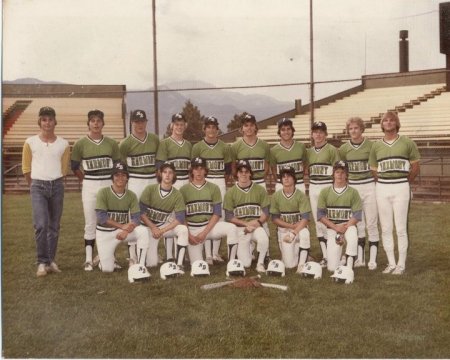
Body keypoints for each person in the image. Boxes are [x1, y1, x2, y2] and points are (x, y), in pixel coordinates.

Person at [369, 111, 420, 275]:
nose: (389, 122)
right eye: (386, 120)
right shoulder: (376, 145)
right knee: (385, 227)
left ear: (397, 123)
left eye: (392, 120)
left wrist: (404, 182)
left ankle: (401, 264)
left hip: (401, 187)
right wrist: (385, 181)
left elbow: (415, 167)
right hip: (382, 188)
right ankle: (391, 263)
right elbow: (374, 170)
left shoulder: (407, 142)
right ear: (382, 124)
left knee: (400, 228)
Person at [22, 106, 70, 277]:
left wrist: (55, 183)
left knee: (54, 226)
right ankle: (42, 262)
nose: (47, 122)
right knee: (41, 225)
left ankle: (50, 261)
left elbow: (64, 170)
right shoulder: (30, 142)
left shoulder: (63, 144)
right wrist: (34, 184)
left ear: (55, 121)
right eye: (44, 119)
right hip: (37, 186)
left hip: (56, 186)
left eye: (50, 119)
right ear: (39, 122)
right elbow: (26, 168)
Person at [71, 109, 121, 271]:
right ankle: (88, 259)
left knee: (109, 222)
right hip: (90, 185)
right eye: (92, 121)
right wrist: (84, 180)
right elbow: (74, 167)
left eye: (99, 120)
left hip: (108, 185)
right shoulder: (80, 143)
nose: (96, 124)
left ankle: (108, 256)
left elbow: (118, 167)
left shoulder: (112, 143)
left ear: (103, 123)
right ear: (88, 123)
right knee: (90, 222)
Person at [180, 157, 239, 265]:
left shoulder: (214, 188)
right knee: (197, 264)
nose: (198, 171)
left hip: (210, 229)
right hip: (193, 230)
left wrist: (204, 233)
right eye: (195, 168)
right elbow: (181, 216)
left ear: (205, 170)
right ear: (191, 170)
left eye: (201, 168)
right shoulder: (184, 190)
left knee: (232, 228)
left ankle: (232, 263)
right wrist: (189, 235)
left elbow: (217, 214)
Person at [119, 109, 160, 265]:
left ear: (146, 122)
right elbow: (120, 167)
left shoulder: (155, 140)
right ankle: (132, 255)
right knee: (135, 216)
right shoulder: (125, 143)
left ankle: (151, 250)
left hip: (151, 180)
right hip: (135, 180)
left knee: (152, 216)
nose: (140, 124)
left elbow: (159, 162)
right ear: (132, 123)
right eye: (137, 122)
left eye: (142, 121)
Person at [339, 117, 379, 270]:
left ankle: (373, 259)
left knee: (372, 222)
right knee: (358, 223)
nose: (353, 131)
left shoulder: (371, 146)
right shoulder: (344, 149)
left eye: (356, 128)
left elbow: (375, 167)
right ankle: (360, 257)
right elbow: (342, 169)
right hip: (353, 187)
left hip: (369, 185)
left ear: (362, 129)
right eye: (351, 128)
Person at [191, 116, 233, 262]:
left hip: (219, 181)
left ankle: (215, 253)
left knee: (218, 215)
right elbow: (194, 169)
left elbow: (228, 170)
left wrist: (222, 182)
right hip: (204, 181)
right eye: (208, 127)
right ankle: (208, 254)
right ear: (204, 129)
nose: (211, 130)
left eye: (214, 127)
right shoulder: (197, 147)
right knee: (206, 215)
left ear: (217, 129)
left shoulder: (224, 147)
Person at [95, 162, 150, 272]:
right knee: (107, 269)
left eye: (123, 175)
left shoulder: (131, 195)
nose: (120, 178)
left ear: (127, 178)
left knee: (143, 231)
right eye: (117, 175)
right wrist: (122, 226)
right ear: (112, 177)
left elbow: (136, 218)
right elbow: (101, 218)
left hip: (123, 230)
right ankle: (103, 259)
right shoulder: (103, 192)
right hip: (105, 232)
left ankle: (141, 265)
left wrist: (126, 229)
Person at [155, 113, 192, 261]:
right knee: (170, 218)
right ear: (171, 126)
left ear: (185, 126)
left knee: (182, 218)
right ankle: (170, 254)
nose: (179, 127)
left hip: (185, 181)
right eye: (176, 124)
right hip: (171, 182)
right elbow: (159, 166)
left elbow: (191, 168)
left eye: (181, 124)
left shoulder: (188, 144)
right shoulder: (164, 143)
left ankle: (181, 251)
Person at [139, 162, 189, 271]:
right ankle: (149, 257)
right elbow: (140, 212)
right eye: (165, 172)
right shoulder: (150, 189)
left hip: (162, 227)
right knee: (151, 264)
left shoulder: (177, 194)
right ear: (160, 174)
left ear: (174, 175)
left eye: (170, 172)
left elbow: (180, 218)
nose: (167, 175)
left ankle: (179, 264)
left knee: (183, 229)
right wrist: (153, 228)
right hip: (147, 228)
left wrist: (161, 231)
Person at [223, 159, 270, 273]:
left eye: (246, 171)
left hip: (255, 226)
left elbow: (266, 212)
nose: (243, 174)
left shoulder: (259, 189)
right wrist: (246, 225)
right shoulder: (231, 192)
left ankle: (260, 263)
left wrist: (258, 223)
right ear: (237, 174)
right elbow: (229, 216)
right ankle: (250, 247)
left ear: (250, 173)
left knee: (263, 237)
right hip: (241, 229)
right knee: (246, 264)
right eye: (241, 171)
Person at [317, 161, 362, 273]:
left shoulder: (353, 192)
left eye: (343, 172)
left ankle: (349, 266)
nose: (340, 175)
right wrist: (336, 228)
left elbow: (357, 215)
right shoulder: (325, 192)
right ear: (333, 174)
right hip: (333, 228)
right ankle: (342, 259)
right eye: (337, 172)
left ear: (347, 174)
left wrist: (344, 227)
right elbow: (320, 215)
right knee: (332, 268)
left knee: (352, 235)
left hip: (348, 226)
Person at [307, 121, 340, 267]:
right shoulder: (309, 152)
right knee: (318, 221)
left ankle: (336, 252)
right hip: (314, 187)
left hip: (327, 187)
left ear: (325, 134)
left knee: (331, 220)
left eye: (321, 132)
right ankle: (326, 255)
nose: (318, 134)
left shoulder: (332, 150)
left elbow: (338, 171)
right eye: (315, 132)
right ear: (312, 134)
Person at [270, 167, 311, 273]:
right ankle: (300, 250)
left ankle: (302, 264)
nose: (286, 178)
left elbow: (306, 218)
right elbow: (274, 218)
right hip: (285, 229)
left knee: (305, 233)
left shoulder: (301, 195)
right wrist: (291, 226)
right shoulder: (276, 196)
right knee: (289, 265)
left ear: (294, 179)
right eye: (283, 176)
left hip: (299, 228)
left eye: (288, 176)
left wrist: (294, 231)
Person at [231, 113, 271, 189]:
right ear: (242, 128)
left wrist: (261, 179)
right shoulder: (235, 146)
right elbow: (233, 168)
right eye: (246, 125)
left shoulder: (264, 145)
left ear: (255, 127)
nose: (249, 128)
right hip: (242, 184)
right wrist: (240, 180)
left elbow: (266, 167)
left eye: (251, 125)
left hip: (259, 183)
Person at [270, 118, 308, 193]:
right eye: (283, 129)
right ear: (279, 132)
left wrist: (298, 178)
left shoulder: (301, 146)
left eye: (288, 129)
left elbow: (304, 165)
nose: (286, 132)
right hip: (282, 185)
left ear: (292, 130)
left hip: (299, 184)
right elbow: (274, 170)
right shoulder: (273, 150)